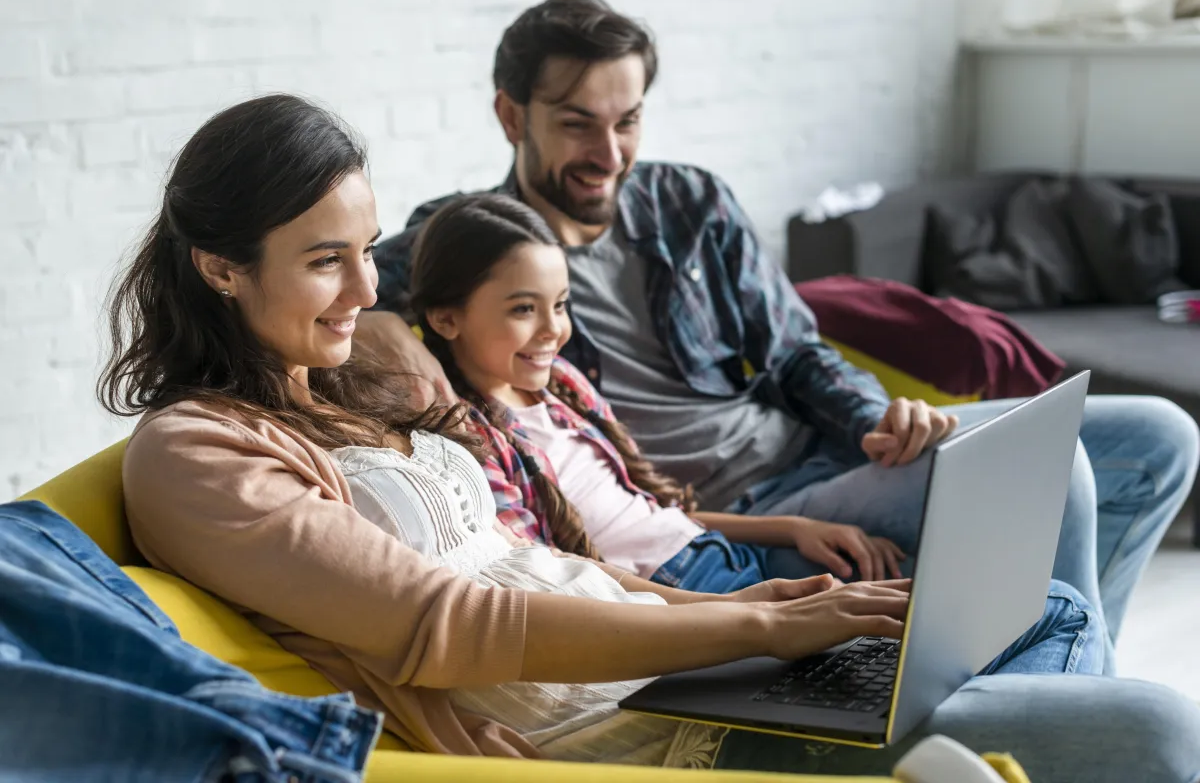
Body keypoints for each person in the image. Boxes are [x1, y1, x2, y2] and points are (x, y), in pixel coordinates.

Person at [102, 93, 1200, 783]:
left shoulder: (345, 392)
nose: (366, 287)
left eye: (367, 247)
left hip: (676, 656)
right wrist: (746, 637)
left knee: (1050, 606)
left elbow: (539, 551)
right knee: (1149, 732)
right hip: (618, 721)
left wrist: (739, 607)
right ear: (220, 265)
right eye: (324, 259)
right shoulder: (196, 453)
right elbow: (450, 621)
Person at [360, 0, 1200, 670]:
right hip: (730, 513)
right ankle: (1074, 706)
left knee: (1161, 435)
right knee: (1056, 473)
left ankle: (1079, 680)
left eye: (628, 121)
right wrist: (394, 330)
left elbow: (795, 349)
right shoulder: (472, 244)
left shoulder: (690, 201)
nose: (609, 152)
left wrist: (874, 416)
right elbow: (350, 298)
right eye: (578, 122)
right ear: (511, 116)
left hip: (823, 450)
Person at [410, 190, 905, 587]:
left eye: (560, 305)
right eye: (523, 309)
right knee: (875, 631)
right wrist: (751, 615)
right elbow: (548, 576)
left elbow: (656, 517)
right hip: (676, 593)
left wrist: (796, 529)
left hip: (717, 551)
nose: (553, 330)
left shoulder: (562, 386)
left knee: (902, 592)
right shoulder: (469, 441)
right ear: (446, 317)